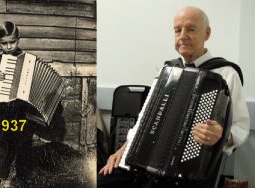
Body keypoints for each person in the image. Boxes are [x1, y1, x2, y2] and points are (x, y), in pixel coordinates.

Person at [98, 6, 250, 188]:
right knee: (103, 182)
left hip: (192, 172)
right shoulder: (167, 72)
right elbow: (144, 122)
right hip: (145, 164)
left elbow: (241, 127)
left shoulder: (226, 74)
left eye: (191, 29)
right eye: (177, 30)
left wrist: (223, 135)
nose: (183, 35)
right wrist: (122, 151)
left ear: (207, 33)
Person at [0, 21, 35, 187]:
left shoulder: (26, 60)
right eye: (4, 43)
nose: (9, 46)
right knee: (2, 141)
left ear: (18, 40)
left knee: (23, 142)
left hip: (21, 109)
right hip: (3, 109)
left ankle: (23, 174)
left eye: (12, 42)